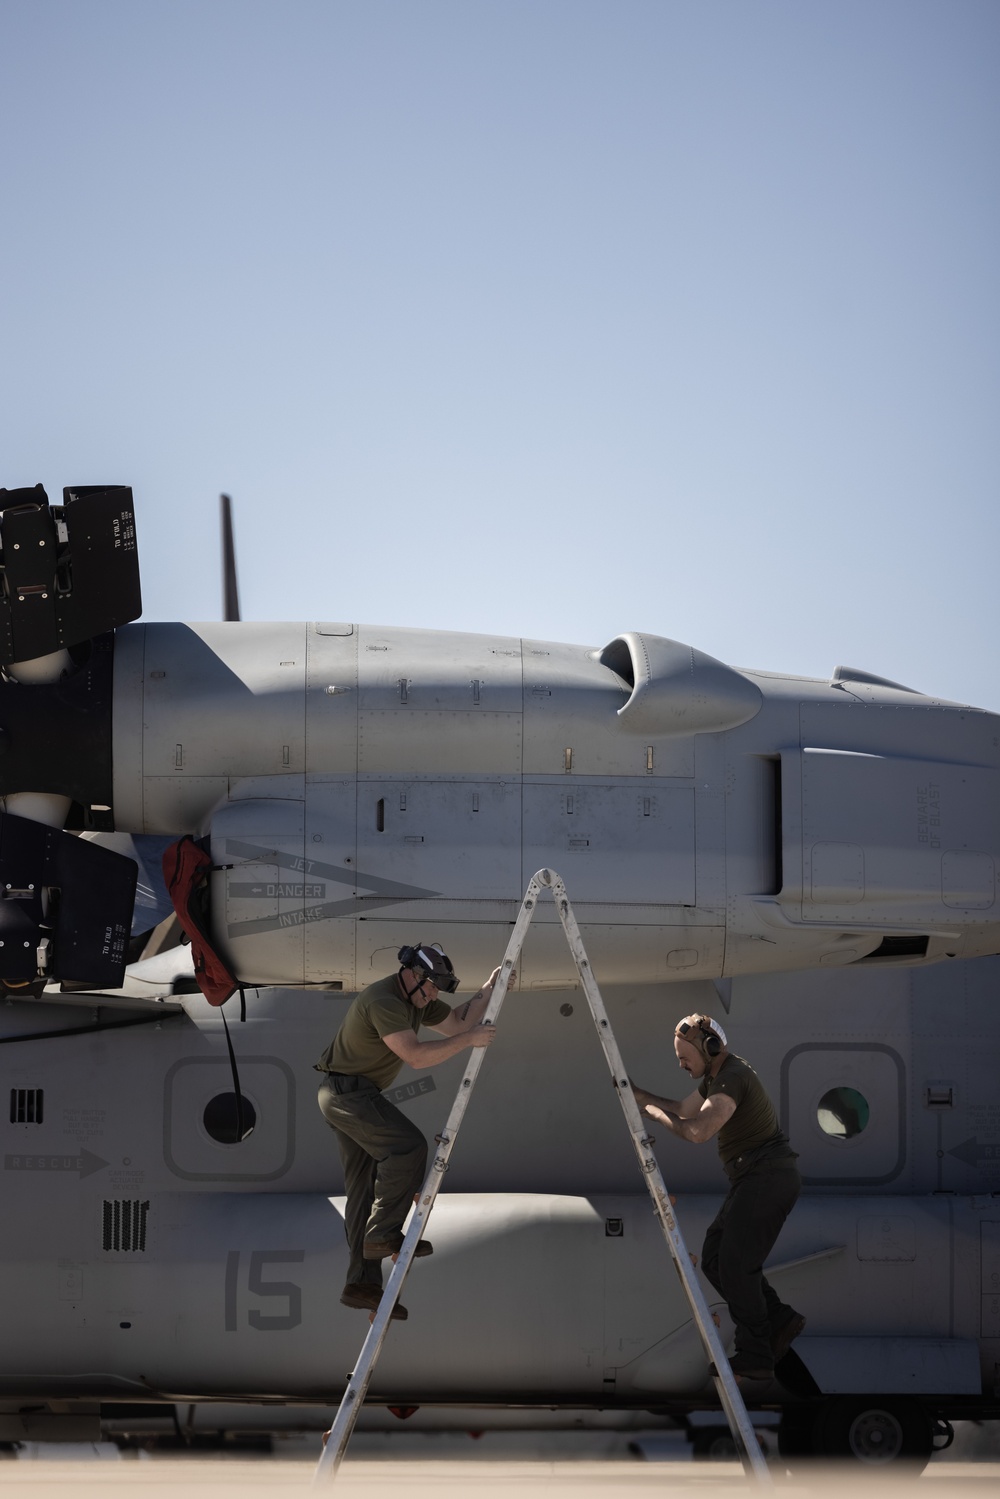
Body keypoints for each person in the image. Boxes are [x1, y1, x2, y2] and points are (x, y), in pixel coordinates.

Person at [316, 942, 505, 1321]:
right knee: (409, 1147)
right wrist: (469, 1042)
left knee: (362, 1192)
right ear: (413, 976)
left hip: (349, 1095)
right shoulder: (384, 1001)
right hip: (348, 1094)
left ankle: (361, 1284)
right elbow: (417, 1057)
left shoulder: (415, 999)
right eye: (432, 987)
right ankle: (382, 1234)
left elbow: (456, 1022)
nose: (434, 995)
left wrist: (489, 988)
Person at [631, 1013, 805, 1381]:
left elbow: (696, 1132)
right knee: (713, 1258)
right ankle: (778, 1319)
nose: (680, 1064)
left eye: (684, 1057)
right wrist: (639, 1095)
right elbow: (683, 1109)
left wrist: (655, 1115)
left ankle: (756, 1353)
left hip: (766, 1176)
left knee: (736, 1266)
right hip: (753, 1178)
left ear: (710, 1048)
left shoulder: (732, 1079)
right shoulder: (717, 1077)